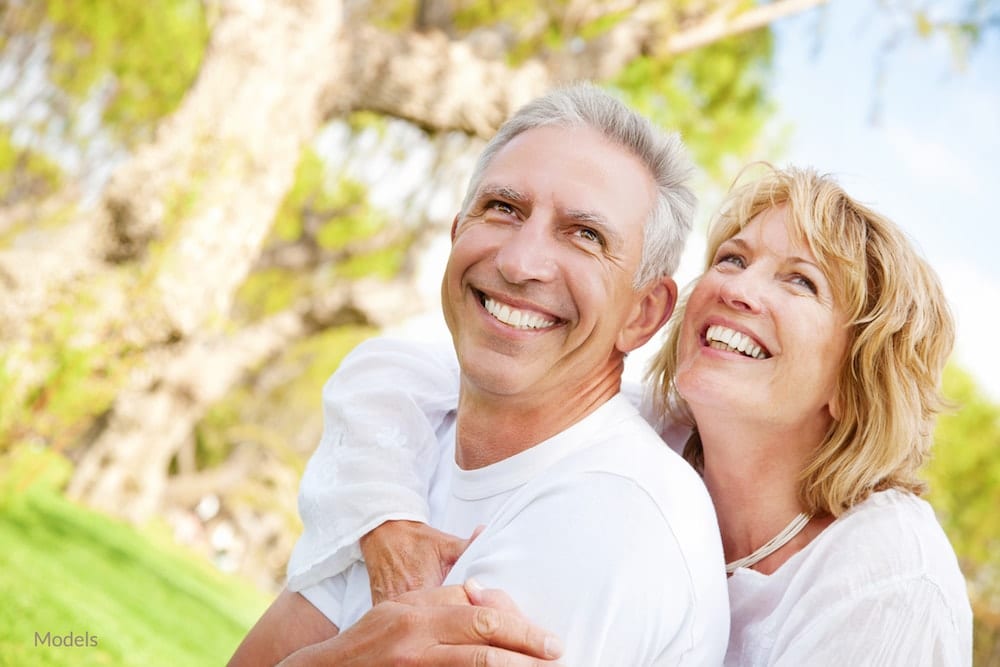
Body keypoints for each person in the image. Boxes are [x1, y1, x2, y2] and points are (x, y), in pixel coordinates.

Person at [289, 164, 974, 665]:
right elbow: (392, 373)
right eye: (732, 258)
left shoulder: (889, 581)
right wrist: (388, 520)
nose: (736, 287)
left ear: (856, 380)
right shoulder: (651, 431)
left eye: (799, 280)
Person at [230, 83, 730, 666]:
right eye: (503, 209)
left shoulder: (611, 514)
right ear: (456, 235)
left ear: (643, 314)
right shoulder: (404, 470)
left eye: (586, 235)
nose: (519, 263)